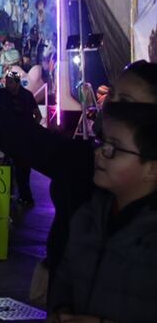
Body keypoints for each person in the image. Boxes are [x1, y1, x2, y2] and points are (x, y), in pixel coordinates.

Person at [0, 60, 157, 311]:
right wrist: (55, 267)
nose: (112, 107)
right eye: (111, 96)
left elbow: (46, 147)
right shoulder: (91, 213)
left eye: (126, 101)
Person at [47, 101, 157, 323]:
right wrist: (60, 310)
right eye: (101, 143)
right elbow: (64, 279)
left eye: (113, 149)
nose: (99, 154)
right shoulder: (88, 215)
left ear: (152, 168)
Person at [0, 70, 40, 206]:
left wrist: (30, 130)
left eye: (10, 82)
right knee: (5, 166)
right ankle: (5, 194)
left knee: (23, 169)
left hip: (22, 138)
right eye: (6, 82)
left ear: (17, 83)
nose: (7, 85)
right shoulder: (2, 95)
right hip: (6, 137)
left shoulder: (27, 96)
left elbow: (37, 115)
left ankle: (25, 196)